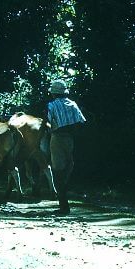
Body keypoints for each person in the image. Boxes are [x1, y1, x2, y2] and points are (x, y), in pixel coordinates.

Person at [46, 80, 86, 215]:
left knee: (58, 171)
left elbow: (49, 122)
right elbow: (82, 121)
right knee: (68, 168)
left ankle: (64, 206)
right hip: (70, 139)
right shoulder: (72, 104)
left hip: (57, 138)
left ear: (54, 93)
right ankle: (65, 203)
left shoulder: (52, 105)